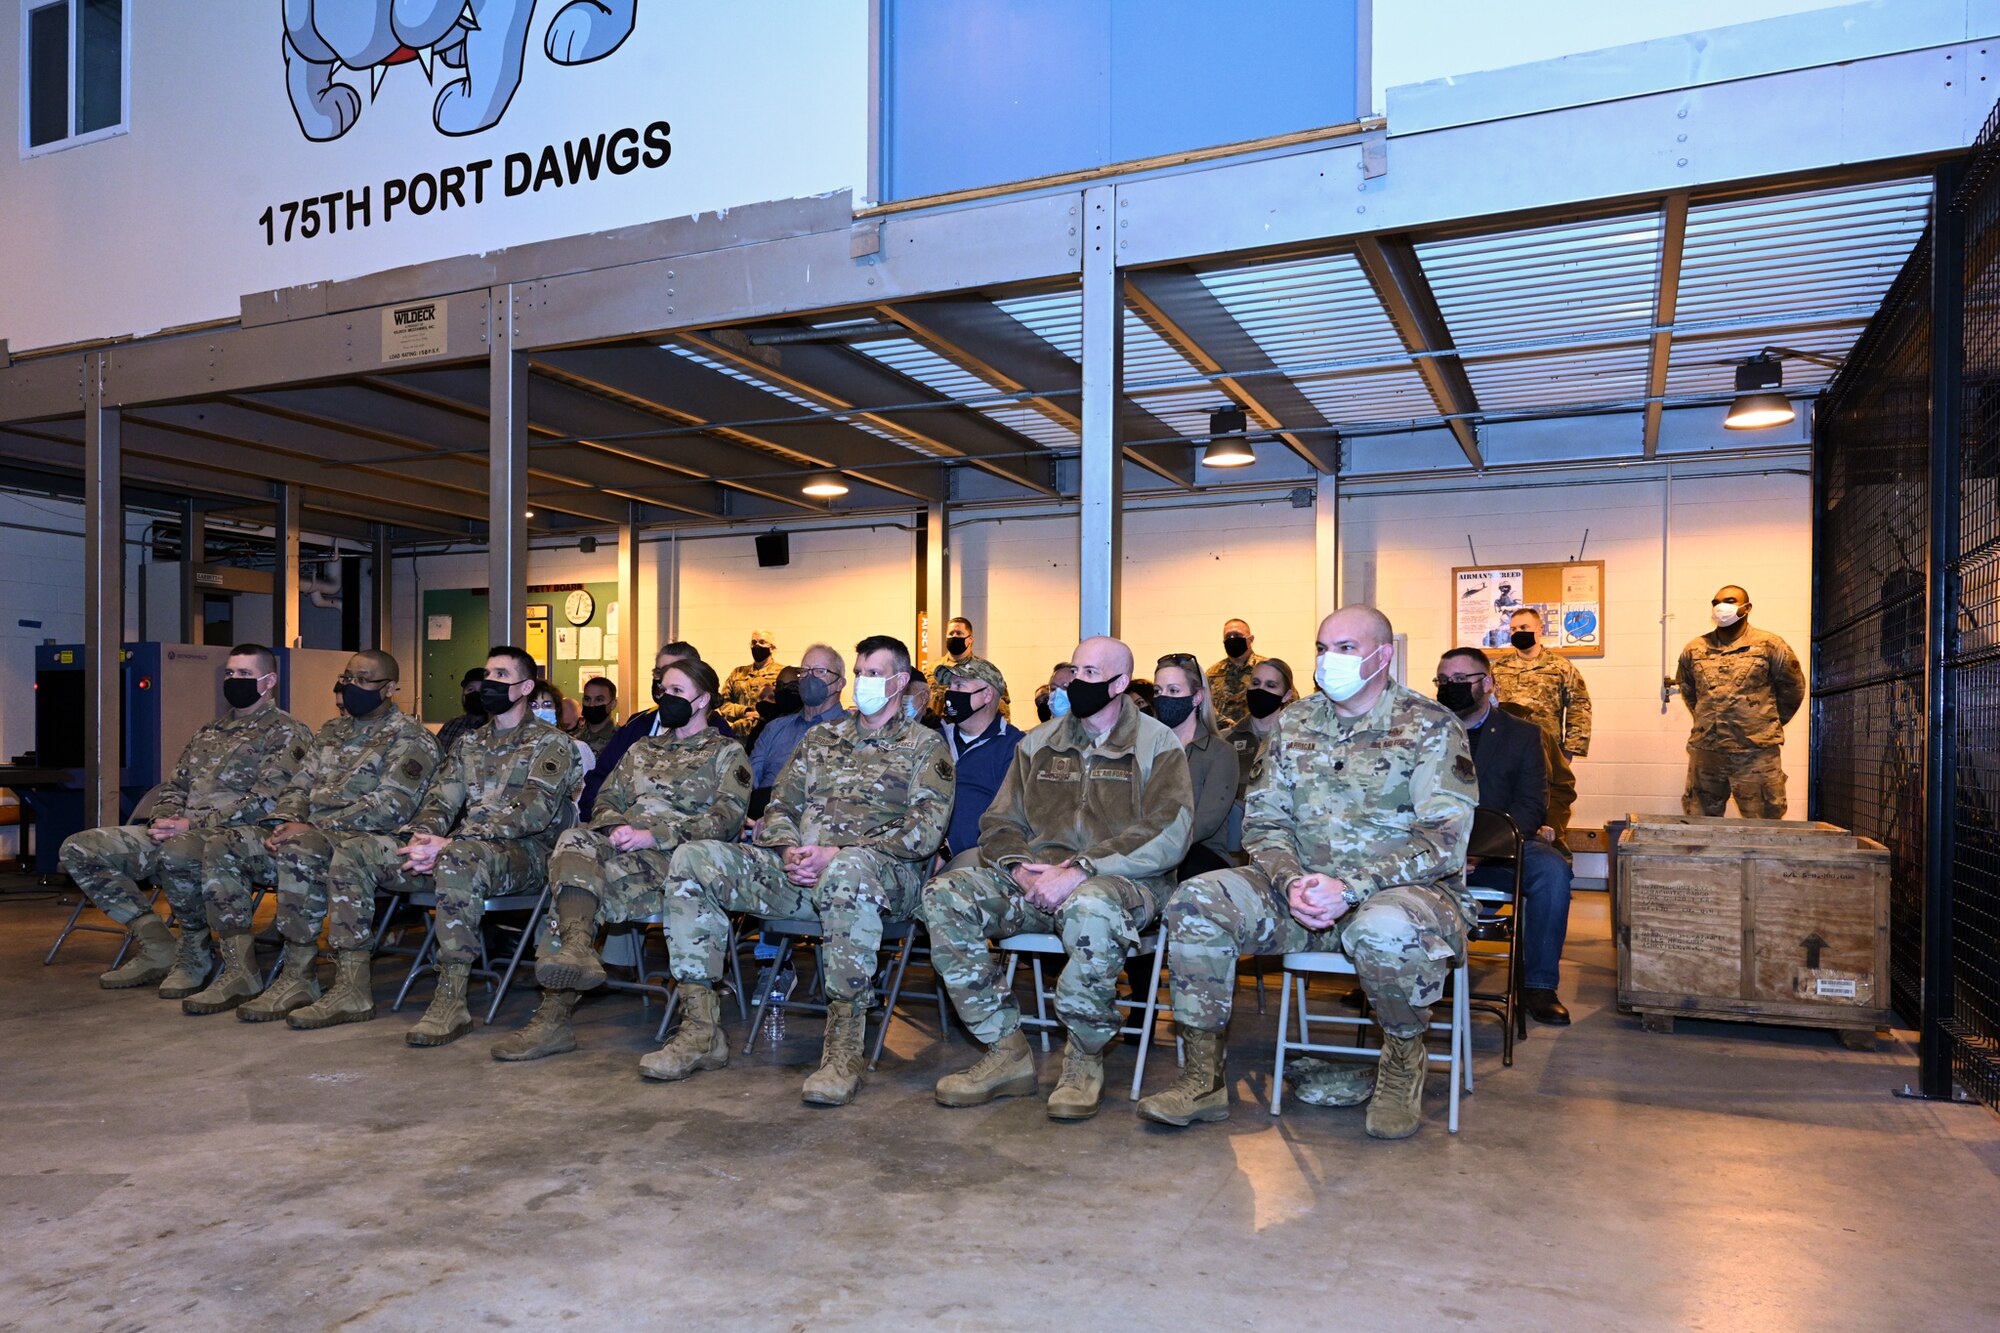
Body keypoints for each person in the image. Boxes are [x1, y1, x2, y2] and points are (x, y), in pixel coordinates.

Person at [1138, 606, 1476, 1140]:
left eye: (1345, 648)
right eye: (1322, 648)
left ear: (1382, 656)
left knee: (1382, 929)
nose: (1329, 660)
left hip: (1403, 896)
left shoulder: (1430, 725)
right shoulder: (1295, 723)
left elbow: (1444, 840)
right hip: (1301, 892)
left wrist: (1351, 888)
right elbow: (1265, 821)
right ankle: (1203, 1077)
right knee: (1197, 899)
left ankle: (1402, 1062)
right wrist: (1293, 880)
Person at [644, 635, 953, 1107]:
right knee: (695, 858)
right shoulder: (822, 738)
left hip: (881, 878)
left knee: (849, 868)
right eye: (861, 672)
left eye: (876, 673)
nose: (864, 682)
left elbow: (924, 834)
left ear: (901, 681)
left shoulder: (924, 746)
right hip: (801, 870)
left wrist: (837, 853)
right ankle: (700, 1031)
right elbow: (782, 802)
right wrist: (787, 847)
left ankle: (843, 1050)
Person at [922, 635, 1193, 1122]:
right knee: (946, 894)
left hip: (1123, 882)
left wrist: (1082, 870)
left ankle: (1084, 1059)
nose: (1075, 682)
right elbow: (1000, 822)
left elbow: (1167, 834)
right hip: (1036, 879)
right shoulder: (1040, 743)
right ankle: (1006, 1050)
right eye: (1074, 670)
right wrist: (1020, 868)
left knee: (1091, 906)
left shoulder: (1157, 744)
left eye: (1091, 674)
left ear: (1120, 683)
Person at [285, 646, 582, 1045]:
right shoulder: (470, 744)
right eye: (488, 674)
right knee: (357, 850)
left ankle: (451, 999)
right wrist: (423, 837)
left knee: (459, 857)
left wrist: (450, 842)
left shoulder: (552, 744)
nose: (490, 683)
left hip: (526, 855)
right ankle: (351, 986)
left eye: (501, 676)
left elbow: (531, 813)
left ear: (526, 687)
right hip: (463, 849)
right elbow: (440, 801)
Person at [493, 659, 752, 1061]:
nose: (667, 698)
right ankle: (577, 950)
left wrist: (653, 835)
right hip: (625, 847)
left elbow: (725, 819)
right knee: (575, 840)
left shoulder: (725, 752)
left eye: (678, 692)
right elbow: (608, 798)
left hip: (678, 860)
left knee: (579, 888)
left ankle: (554, 1016)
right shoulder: (642, 749)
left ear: (702, 700)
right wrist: (615, 828)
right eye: (663, 689)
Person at [59, 644, 313, 999]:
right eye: (229, 673)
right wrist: (165, 818)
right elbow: (175, 785)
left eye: (244, 674)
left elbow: (266, 801)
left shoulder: (287, 733)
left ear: (268, 681)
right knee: (80, 847)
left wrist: (191, 828)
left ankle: (195, 950)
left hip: (240, 837)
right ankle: (158, 943)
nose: (234, 680)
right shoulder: (210, 730)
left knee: (180, 850)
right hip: (183, 830)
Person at [217, 651, 443, 1022]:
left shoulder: (410, 737)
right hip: (314, 835)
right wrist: (284, 822)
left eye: (362, 680)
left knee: (303, 848)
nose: (349, 687)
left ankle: (340, 984)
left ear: (389, 689)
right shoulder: (331, 731)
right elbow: (299, 785)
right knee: (224, 845)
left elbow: (390, 806)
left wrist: (314, 829)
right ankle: (239, 970)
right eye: (346, 677)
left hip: (376, 839)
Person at [1436, 647, 1573, 1025]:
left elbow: (1530, 804)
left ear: (1488, 683)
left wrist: (1479, 851)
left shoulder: (1523, 735)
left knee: (1552, 871)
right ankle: (1393, 972)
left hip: (1500, 849)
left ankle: (1539, 986)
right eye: (1445, 681)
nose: (1452, 687)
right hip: (1436, 850)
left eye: (1462, 680)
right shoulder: (1422, 733)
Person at [1678, 585, 1807, 818]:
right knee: (1699, 822)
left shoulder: (1770, 645)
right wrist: (1711, 721)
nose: (1720, 607)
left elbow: (1793, 689)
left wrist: (1761, 724)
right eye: (1715, 602)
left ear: (1746, 608)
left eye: (1728, 600)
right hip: (1708, 752)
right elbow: (1690, 693)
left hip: (1755, 753)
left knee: (1764, 823)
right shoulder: (1694, 649)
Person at [580, 642, 730, 818]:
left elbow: (722, 809)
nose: (663, 681)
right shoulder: (638, 724)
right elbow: (601, 778)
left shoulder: (718, 732)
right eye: (659, 672)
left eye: (674, 671)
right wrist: (605, 823)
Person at [1489, 607, 1591, 843]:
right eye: (1513, 629)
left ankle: (1547, 847)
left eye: (1524, 627)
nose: (1518, 632)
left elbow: (1579, 706)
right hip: (1506, 750)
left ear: (1539, 630)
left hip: (1546, 749)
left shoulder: (1561, 667)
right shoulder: (1498, 668)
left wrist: (1569, 751)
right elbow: (1489, 707)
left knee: (1548, 803)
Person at [1152, 653, 1237, 879]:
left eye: (1174, 690)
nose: (1164, 698)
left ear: (1197, 697)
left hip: (1200, 856)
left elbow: (1206, 822)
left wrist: (1155, 844)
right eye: (1158, 691)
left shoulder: (1220, 752)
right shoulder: (1148, 748)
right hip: (1148, 851)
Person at [936, 658, 1026, 861]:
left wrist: (947, 851)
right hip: (918, 848)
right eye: (950, 685)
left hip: (972, 854)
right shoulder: (933, 739)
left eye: (959, 685)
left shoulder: (1014, 747)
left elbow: (1004, 814)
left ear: (986, 695)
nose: (950, 692)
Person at [749, 645, 848, 807]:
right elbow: (751, 779)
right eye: (805, 671)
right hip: (763, 815)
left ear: (840, 684)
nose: (810, 677)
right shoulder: (774, 728)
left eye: (820, 671)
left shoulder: (852, 731)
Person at [718, 630, 784, 736]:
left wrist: (760, 715)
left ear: (772, 648)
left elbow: (784, 706)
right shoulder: (738, 673)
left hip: (768, 734)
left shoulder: (782, 673)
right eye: (754, 642)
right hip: (738, 736)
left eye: (762, 642)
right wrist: (745, 712)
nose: (757, 645)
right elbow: (722, 703)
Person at [1205, 619, 1266, 729]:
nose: (1232, 639)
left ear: (1251, 639)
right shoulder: (1212, 674)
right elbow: (1205, 710)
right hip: (1223, 740)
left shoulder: (1267, 669)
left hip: (1259, 738)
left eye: (1237, 635)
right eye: (1228, 637)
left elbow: (1289, 704)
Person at [435, 667, 488, 754]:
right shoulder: (450, 726)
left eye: (482, 690)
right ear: (463, 694)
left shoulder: (497, 729)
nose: (476, 694)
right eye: (470, 689)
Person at [569, 676, 621, 759]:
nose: (591, 704)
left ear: (613, 704)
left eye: (599, 700)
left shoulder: (622, 739)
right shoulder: (572, 739)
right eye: (587, 699)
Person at [929, 616, 983, 692]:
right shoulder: (930, 669)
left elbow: (1000, 701)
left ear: (970, 639)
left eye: (959, 633)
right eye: (951, 633)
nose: (954, 636)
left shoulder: (985, 670)